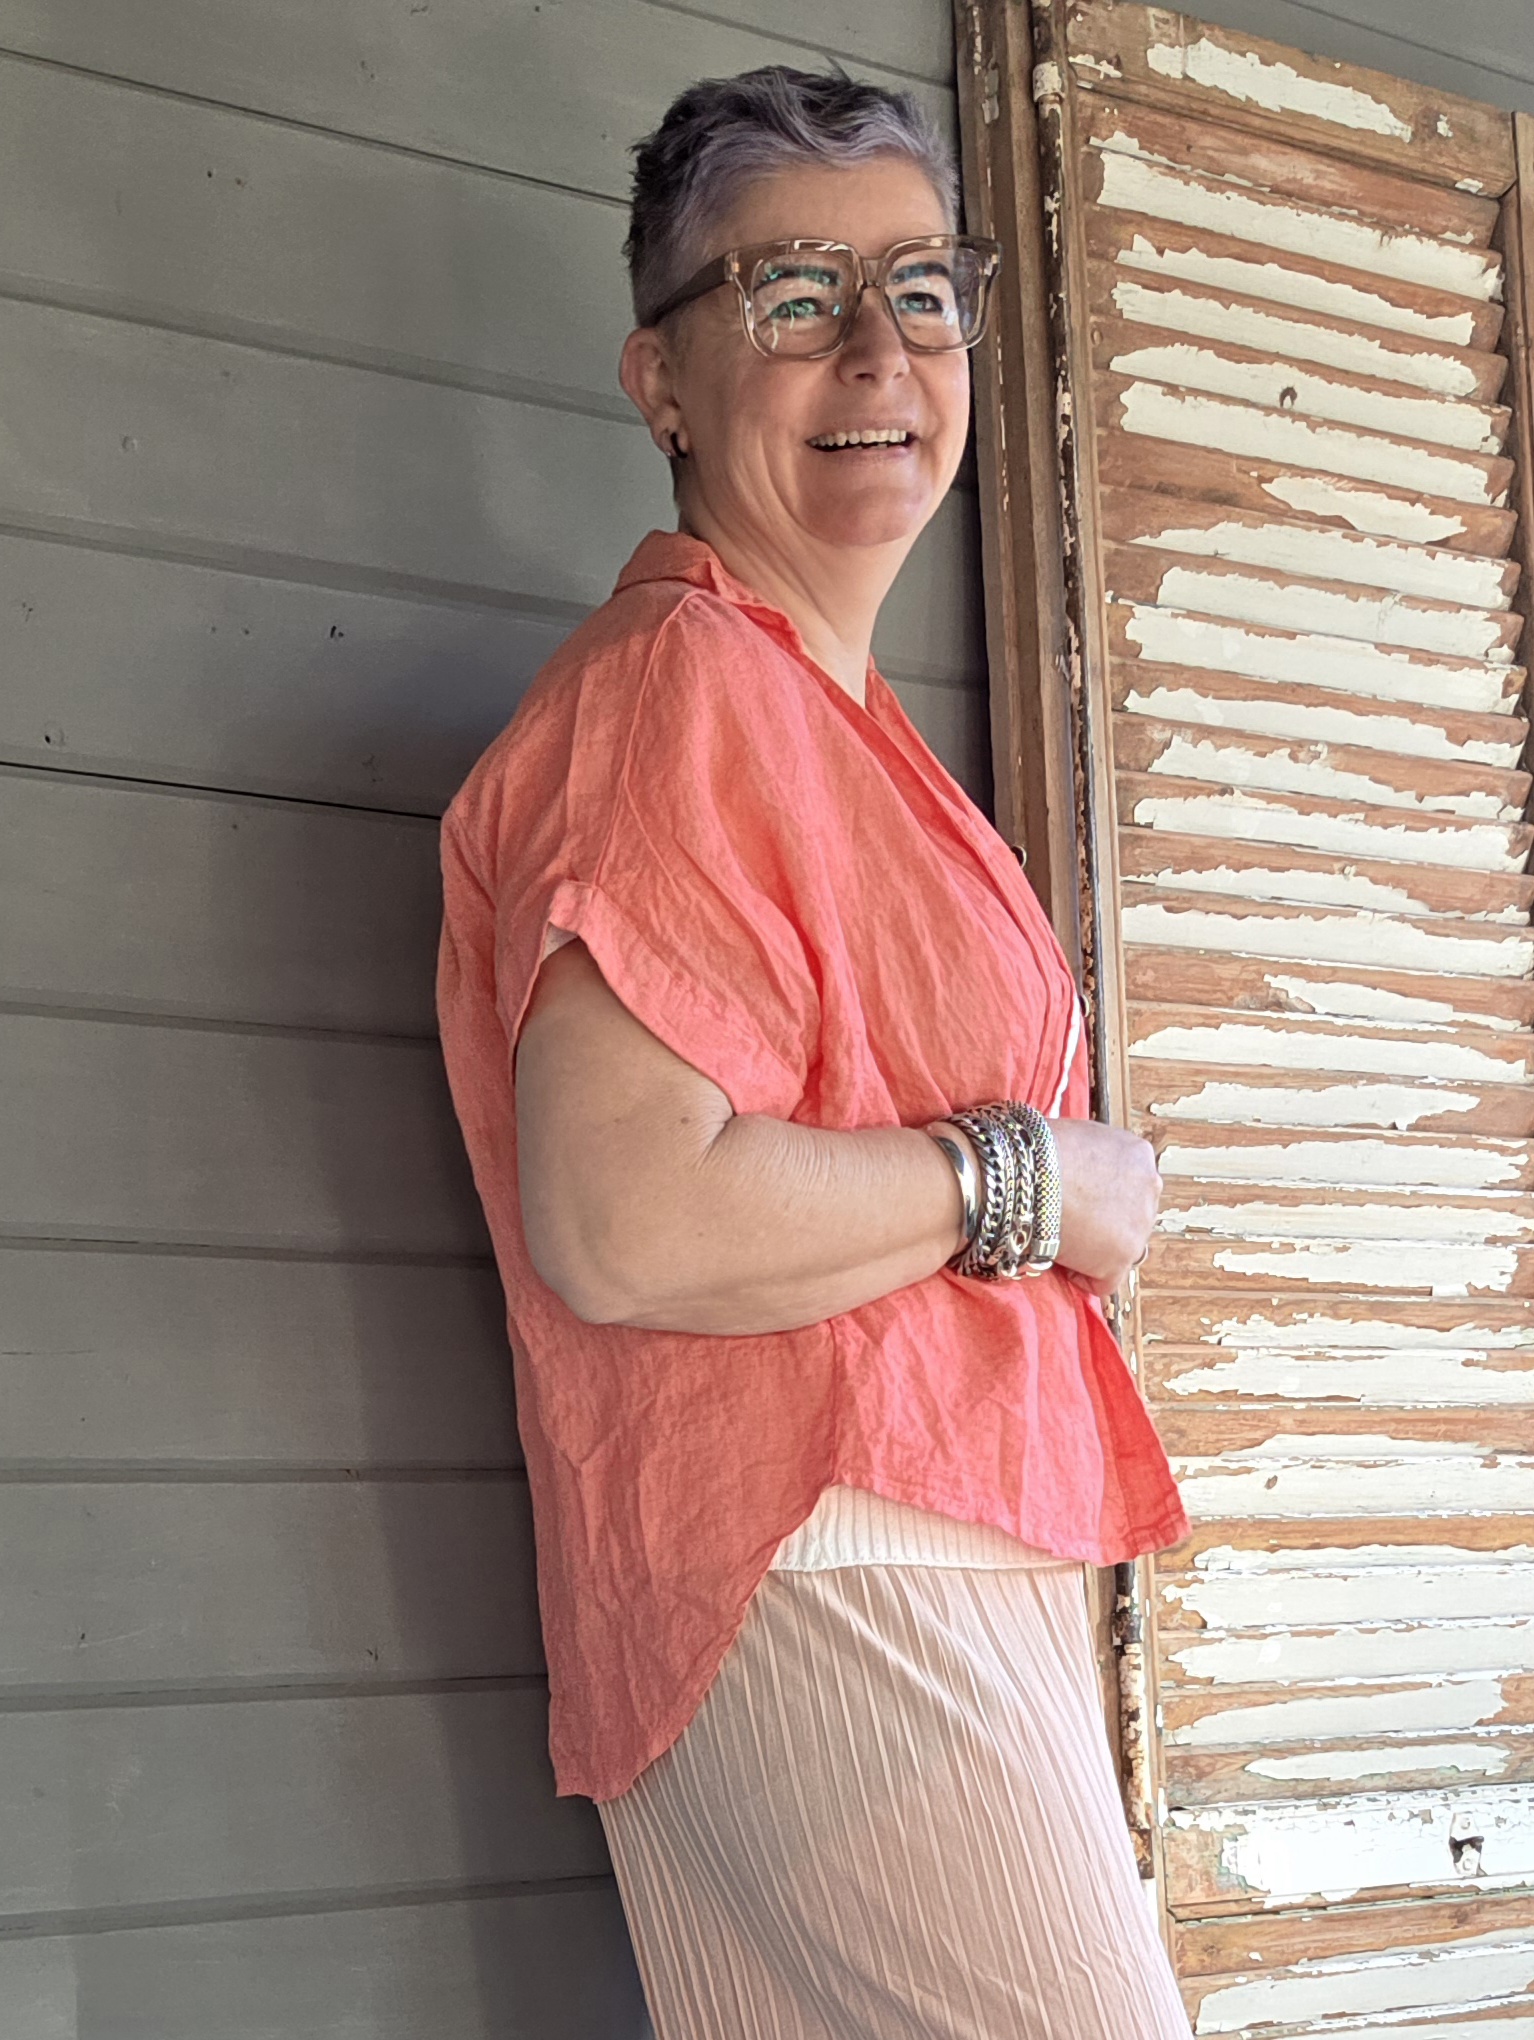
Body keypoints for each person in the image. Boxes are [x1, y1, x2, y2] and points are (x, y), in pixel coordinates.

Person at [436, 63, 1192, 2040]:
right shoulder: (679, 689)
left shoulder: (813, 707)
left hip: (893, 1554)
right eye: (792, 295)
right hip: (829, 1556)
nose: (878, 350)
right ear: (661, 382)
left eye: (921, 290)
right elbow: (626, 1216)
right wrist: (1031, 1180)